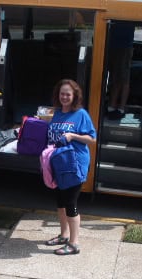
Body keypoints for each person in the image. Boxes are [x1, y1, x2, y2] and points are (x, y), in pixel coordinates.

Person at [45, 79, 97, 256]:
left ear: (74, 96)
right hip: (59, 163)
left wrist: (72, 136)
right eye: (62, 93)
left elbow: (92, 139)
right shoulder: (57, 113)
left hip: (75, 165)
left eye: (68, 94)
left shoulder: (81, 114)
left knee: (70, 203)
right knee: (60, 202)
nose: (64, 97)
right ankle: (64, 235)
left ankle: (74, 243)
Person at [107, 22, 135, 120]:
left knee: (123, 78)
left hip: (124, 46)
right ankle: (111, 105)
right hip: (110, 44)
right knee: (114, 77)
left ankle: (121, 108)